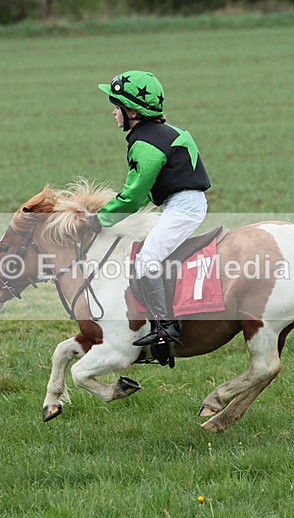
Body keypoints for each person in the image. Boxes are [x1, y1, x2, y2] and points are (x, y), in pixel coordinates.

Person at [89, 70, 211, 347]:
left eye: (116, 106)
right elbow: (142, 195)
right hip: (182, 204)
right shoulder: (170, 132)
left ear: (131, 111)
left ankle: (166, 328)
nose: (113, 113)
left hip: (182, 208)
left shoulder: (144, 143)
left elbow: (133, 196)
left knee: (145, 263)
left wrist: (99, 220)